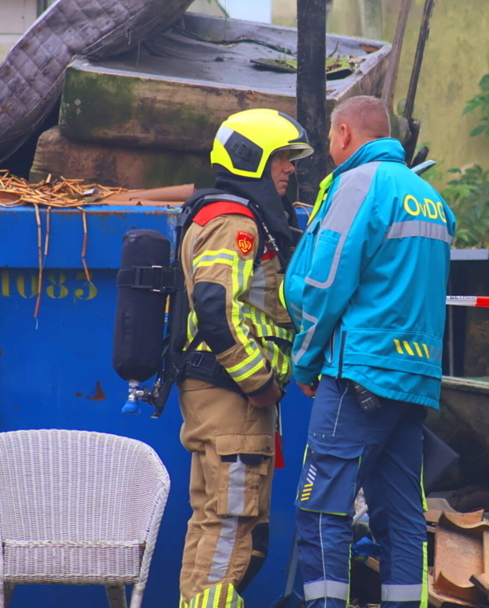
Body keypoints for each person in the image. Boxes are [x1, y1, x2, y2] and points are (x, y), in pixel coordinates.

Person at [284, 96, 455, 608]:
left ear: (342, 134)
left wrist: (306, 358)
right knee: (401, 515)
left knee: (322, 509)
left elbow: (324, 282)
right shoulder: (429, 197)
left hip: (358, 374)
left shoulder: (357, 185)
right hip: (413, 379)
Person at [177, 109, 313, 608]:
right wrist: (258, 382)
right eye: (281, 157)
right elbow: (215, 307)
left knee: (217, 521)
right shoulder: (235, 221)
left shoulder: (237, 216)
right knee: (232, 525)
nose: (290, 169)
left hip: (226, 396)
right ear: (251, 158)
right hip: (233, 394)